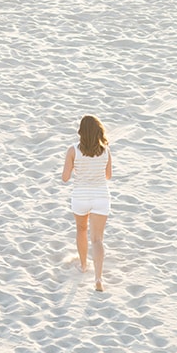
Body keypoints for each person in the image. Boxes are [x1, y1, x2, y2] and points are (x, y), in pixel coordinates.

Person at [61, 114, 112, 291]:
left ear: (81, 132)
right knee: (97, 239)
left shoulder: (73, 150)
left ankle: (83, 265)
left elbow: (65, 178)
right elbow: (108, 176)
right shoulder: (105, 150)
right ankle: (98, 278)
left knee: (81, 230)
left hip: (80, 197)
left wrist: (77, 167)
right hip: (101, 197)